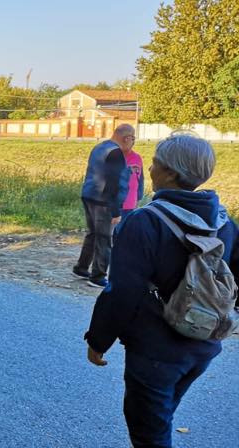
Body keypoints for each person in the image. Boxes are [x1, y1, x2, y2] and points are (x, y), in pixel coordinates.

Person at [85, 134, 239, 448]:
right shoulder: (225, 222)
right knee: (160, 420)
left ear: (170, 173)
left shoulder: (144, 222)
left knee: (149, 435)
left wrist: (98, 340)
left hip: (156, 352)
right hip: (203, 345)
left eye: (155, 163)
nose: (150, 168)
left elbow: (121, 292)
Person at [73, 124, 134, 288]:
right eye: (133, 139)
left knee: (92, 234)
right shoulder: (116, 153)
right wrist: (116, 210)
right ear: (127, 138)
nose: (133, 143)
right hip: (103, 200)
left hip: (88, 194)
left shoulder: (99, 147)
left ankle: (81, 267)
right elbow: (114, 183)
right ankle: (98, 276)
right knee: (104, 238)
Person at [122, 139, 145, 219]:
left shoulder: (137, 157)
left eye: (132, 139)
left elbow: (140, 178)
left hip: (130, 203)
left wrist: (139, 196)